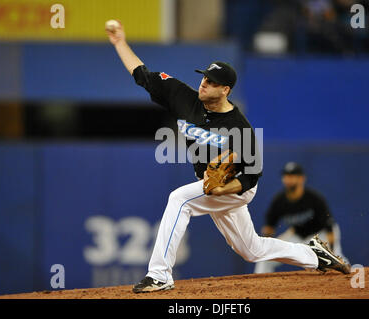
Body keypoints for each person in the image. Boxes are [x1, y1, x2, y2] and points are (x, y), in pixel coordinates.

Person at [106, 21, 350, 293]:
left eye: (212, 82)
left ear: (225, 90)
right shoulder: (183, 97)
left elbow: (251, 176)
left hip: (238, 188)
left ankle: (160, 274)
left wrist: (223, 188)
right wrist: (119, 43)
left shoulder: (240, 128)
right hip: (211, 183)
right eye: (204, 78)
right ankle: (315, 255)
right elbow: (142, 75)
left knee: (179, 199)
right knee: (251, 249)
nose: (204, 84)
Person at [254, 162, 349, 274]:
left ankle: (350, 278)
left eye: (293, 175)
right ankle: (259, 287)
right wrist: (267, 246)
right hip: (297, 236)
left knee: (337, 261)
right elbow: (269, 229)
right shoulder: (279, 201)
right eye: (286, 176)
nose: (288, 179)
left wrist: (332, 251)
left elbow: (329, 226)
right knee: (266, 257)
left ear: (302, 178)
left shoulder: (314, 198)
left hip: (321, 234)